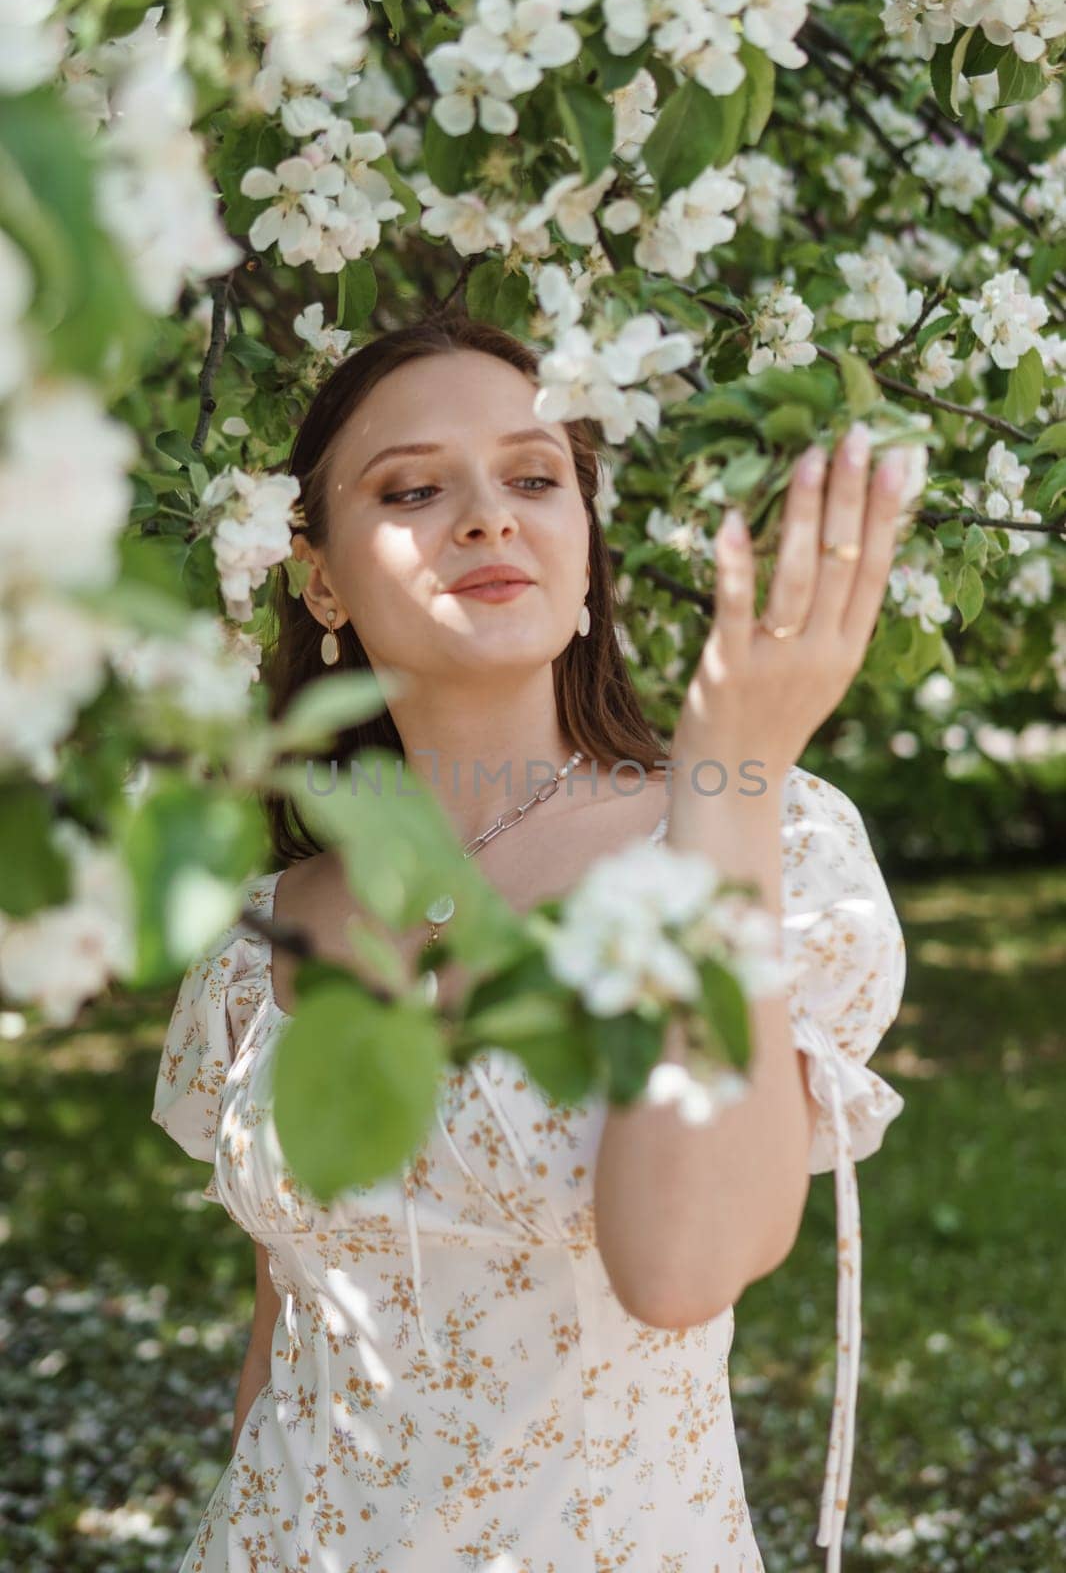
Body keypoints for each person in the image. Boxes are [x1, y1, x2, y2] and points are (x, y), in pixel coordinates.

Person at [152, 311, 909, 1573]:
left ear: (583, 542)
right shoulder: (262, 936)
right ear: (321, 577)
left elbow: (683, 1267)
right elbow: (287, 1322)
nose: (489, 517)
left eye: (534, 476)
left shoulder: (757, 844)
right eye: (411, 488)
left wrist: (724, 781)